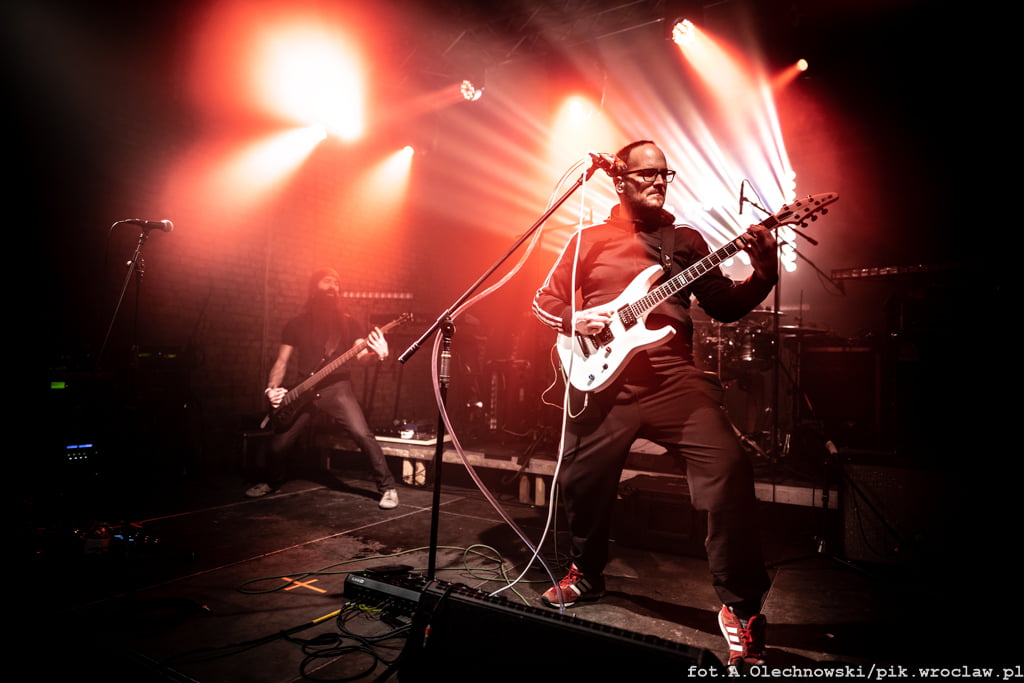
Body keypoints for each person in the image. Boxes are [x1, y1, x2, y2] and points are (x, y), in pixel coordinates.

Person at [532, 140, 778, 670]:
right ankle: (586, 572)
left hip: (673, 380)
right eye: (646, 174)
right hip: (603, 381)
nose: (659, 181)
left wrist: (763, 273)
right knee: (580, 481)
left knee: (729, 468)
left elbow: (724, 306)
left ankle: (741, 608)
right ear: (619, 179)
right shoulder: (586, 239)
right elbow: (543, 300)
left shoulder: (685, 240)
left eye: (665, 174)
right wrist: (573, 319)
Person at [249, 267, 400, 510]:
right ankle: (272, 481)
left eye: (337, 283)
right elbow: (281, 362)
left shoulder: (350, 324)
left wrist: (379, 355)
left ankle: (388, 488)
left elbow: (362, 357)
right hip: (303, 389)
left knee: (362, 434)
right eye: (327, 281)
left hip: (337, 388)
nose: (333, 286)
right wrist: (271, 390)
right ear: (314, 287)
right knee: (278, 445)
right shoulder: (295, 324)